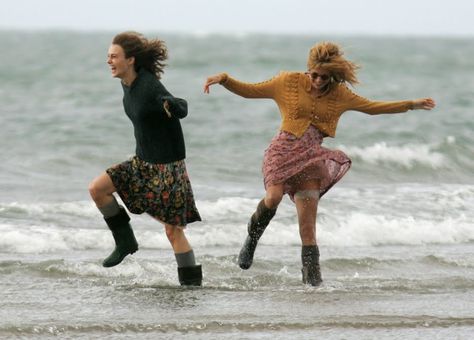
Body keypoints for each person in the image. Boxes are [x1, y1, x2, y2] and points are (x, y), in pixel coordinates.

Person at [203, 42, 435, 286]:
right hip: (281, 152)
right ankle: (251, 240)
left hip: (312, 159)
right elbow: (251, 90)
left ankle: (313, 286)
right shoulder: (288, 82)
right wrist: (224, 79)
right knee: (273, 198)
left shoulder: (340, 94)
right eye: (314, 75)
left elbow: (372, 108)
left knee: (308, 228)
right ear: (308, 69)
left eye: (324, 77)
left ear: (332, 75)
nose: (318, 80)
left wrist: (411, 104)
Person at [89, 31, 203, 286]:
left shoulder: (149, 85)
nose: (109, 61)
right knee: (97, 189)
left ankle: (191, 285)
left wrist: (171, 105)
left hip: (167, 169)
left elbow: (181, 106)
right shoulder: (126, 84)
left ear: (130, 60)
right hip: (143, 163)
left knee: (174, 232)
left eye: (114, 56)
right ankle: (125, 241)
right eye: (108, 56)